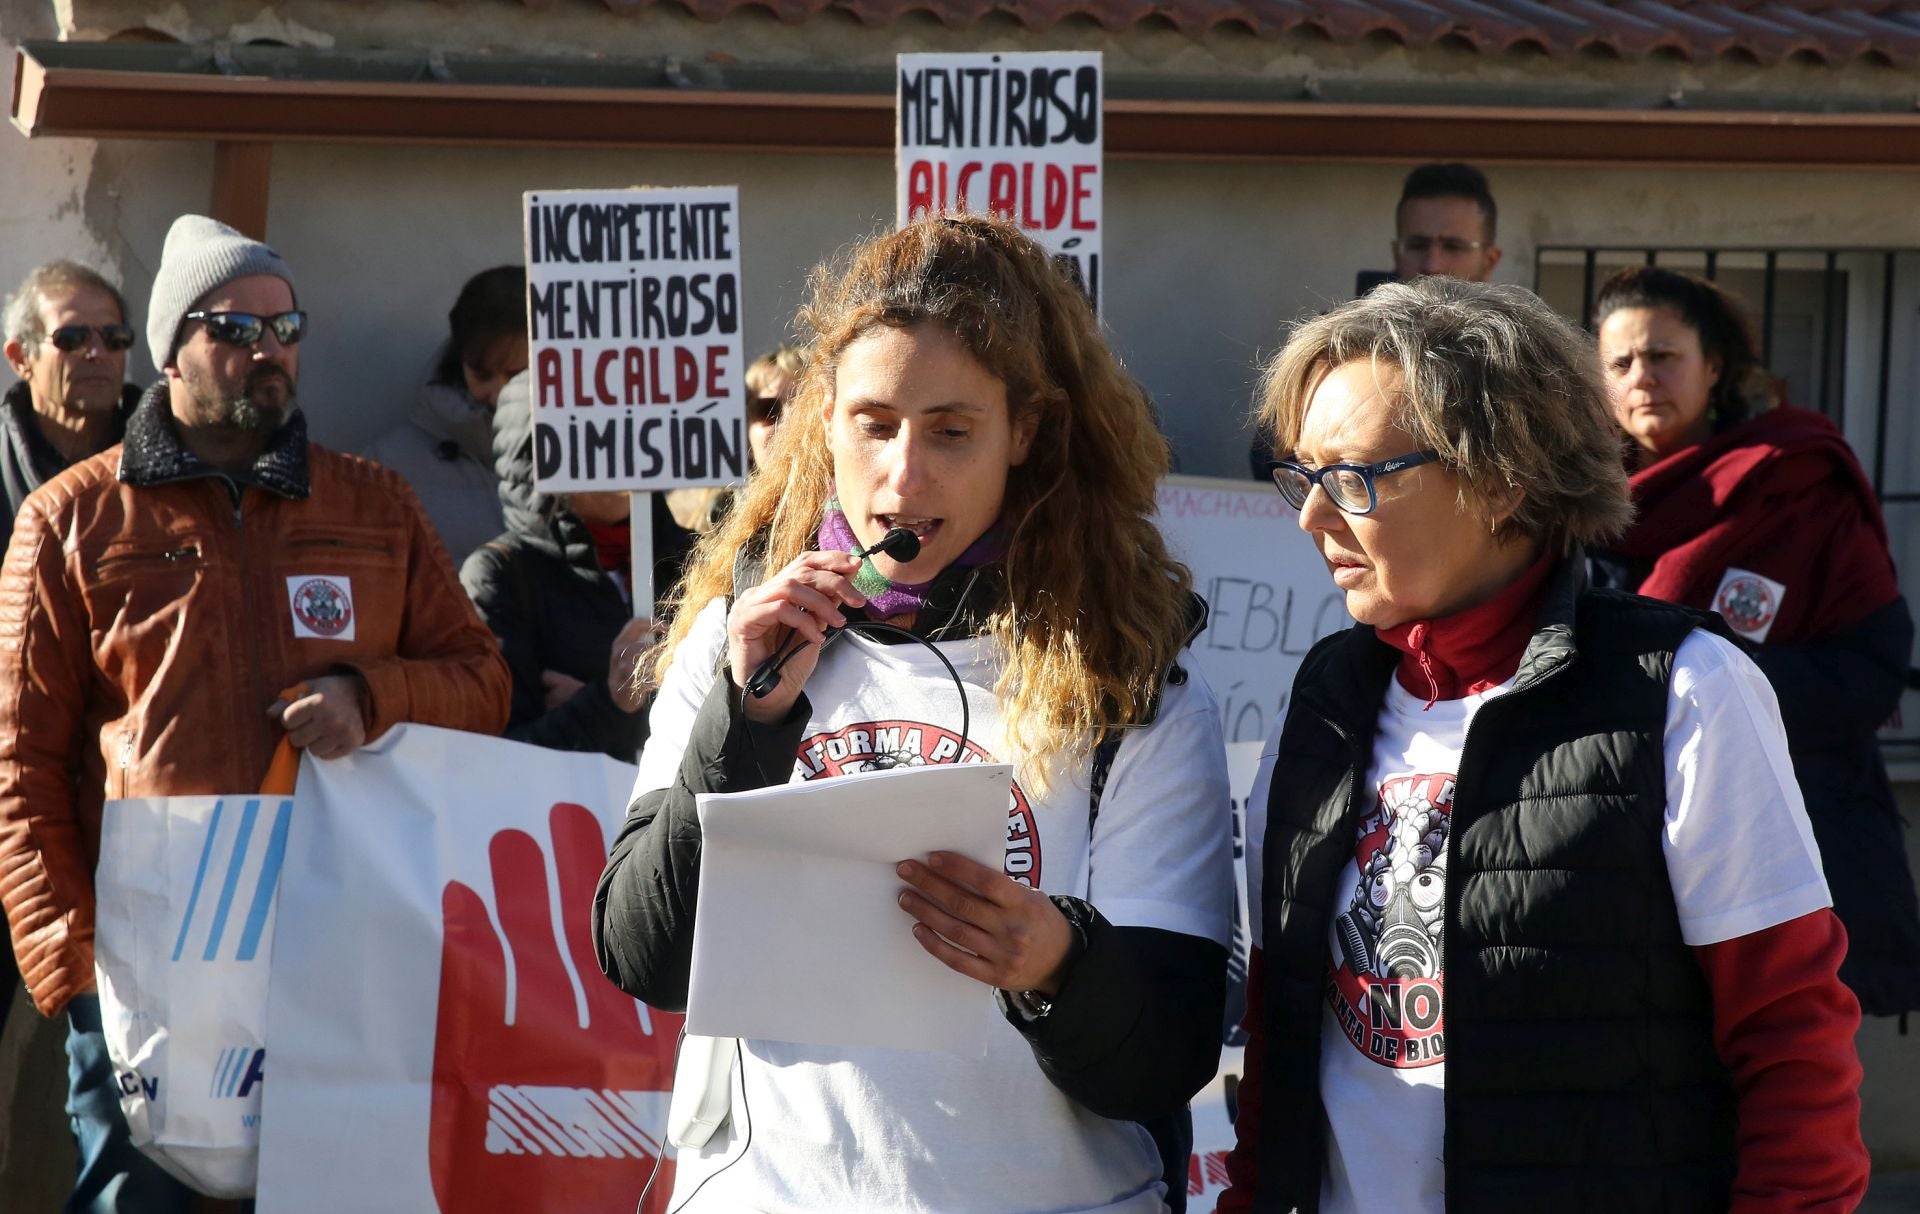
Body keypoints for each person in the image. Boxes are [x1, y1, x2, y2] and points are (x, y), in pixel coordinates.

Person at [592, 214, 1234, 1213]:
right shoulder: (743, 632)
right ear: (824, 419)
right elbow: (646, 955)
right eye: (874, 422)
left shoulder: (1125, 681)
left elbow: (1167, 1055)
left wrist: (1057, 964)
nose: (902, 476)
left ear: (1024, 431)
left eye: (951, 429)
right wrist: (747, 718)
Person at [1220, 278, 1866, 1212]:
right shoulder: (1326, 698)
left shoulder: (1687, 691)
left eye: (1353, 478)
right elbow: (1280, 1037)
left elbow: (1795, 1051)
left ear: (1498, 479)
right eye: (1302, 477)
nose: (1314, 518)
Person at [0, 215, 512, 1212]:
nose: (268, 349)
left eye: (286, 327)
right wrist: (71, 966)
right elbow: (19, 761)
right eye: (236, 327)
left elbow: (481, 681)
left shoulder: (376, 504)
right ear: (172, 347)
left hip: (336, 949)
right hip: (145, 970)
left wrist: (373, 694)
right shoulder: (69, 518)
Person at [1593, 265, 1920, 1018]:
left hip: (1790, 848)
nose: (1643, 377)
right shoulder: (1567, 510)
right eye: (1620, 363)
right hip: (1623, 858)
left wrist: (1713, 691)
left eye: (1664, 355)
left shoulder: (1794, 486)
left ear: (1714, 366)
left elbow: (1871, 671)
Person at [0, 259, 143, 1213]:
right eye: (72, 337)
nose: (97, 356)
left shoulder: (168, 463)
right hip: (9, 793)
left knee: (120, 1069)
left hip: (122, 813)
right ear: (20, 354)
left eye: (115, 338)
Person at [461, 369, 696, 761]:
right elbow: (491, 759)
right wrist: (608, 702)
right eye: (594, 432)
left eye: (633, 425)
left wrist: (614, 705)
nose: (622, 447)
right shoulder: (500, 575)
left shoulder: (699, 559)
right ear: (536, 456)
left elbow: (744, 714)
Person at [1254, 163, 1505, 477]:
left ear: (1490, 259)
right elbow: (1269, 455)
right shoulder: (1339, 341)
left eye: (1453, 246)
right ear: (1396, 252)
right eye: (1418, 245)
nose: (1433, 263)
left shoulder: (1516, 354)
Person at [362, 265, 525, 561]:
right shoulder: (386, 471)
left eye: (517, 375)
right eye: (482, 374)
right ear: (459, 360)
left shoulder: (599, 457)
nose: (499, 393)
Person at [665, 344, 806, 535]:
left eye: (803, 408)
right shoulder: (703, 525)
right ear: (746, 428)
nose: (787, 422)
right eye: (767, 409)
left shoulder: (851, 514)